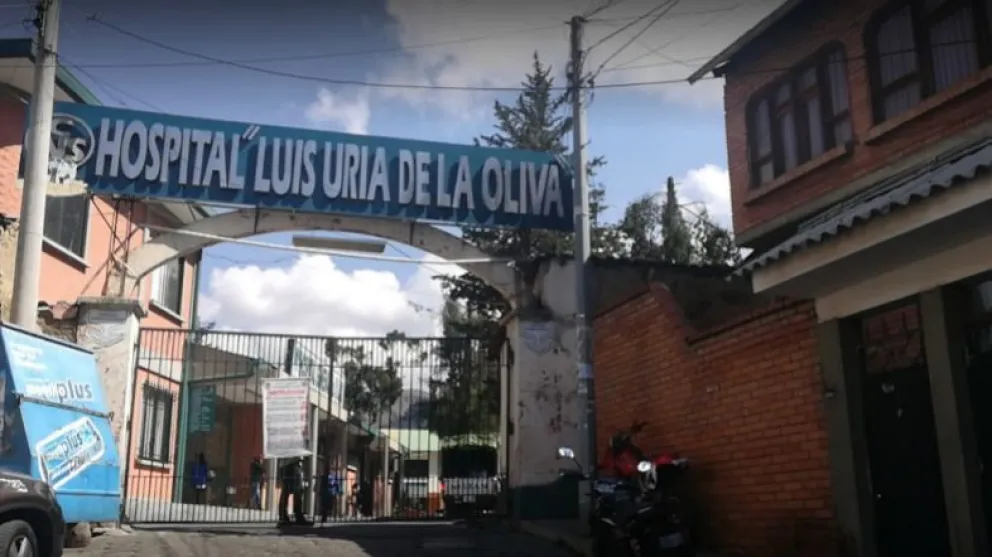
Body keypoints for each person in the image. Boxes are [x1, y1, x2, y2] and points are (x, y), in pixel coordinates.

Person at [278, 458, 309, 525]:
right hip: (288, 464)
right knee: (287, 492)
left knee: (296, 492)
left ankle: (297, 516)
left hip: (293, 463)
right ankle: (283, 517)